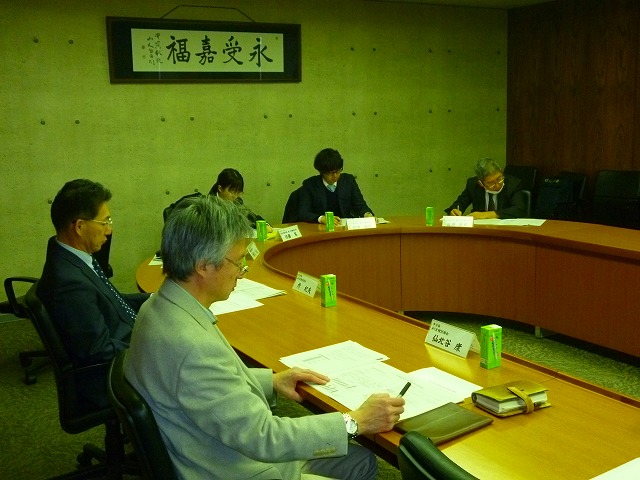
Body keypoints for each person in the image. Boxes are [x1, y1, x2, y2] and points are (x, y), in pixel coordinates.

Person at [124, 195, 404, 480]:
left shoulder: (160, 306)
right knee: (355, 457)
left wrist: (272, 380)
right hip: (232, 469)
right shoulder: (192, 346)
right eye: (238, 261)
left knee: (360, 461)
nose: (242, 273)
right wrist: (354, 422)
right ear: (203, 265)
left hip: (209, 447)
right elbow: (265, 437)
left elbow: (205, 387)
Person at [37, 179, 149, 410]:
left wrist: (155, 298)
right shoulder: (68, 283)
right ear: (79, 226)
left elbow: (114, 301)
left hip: (123, 346)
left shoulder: (75, 257)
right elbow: (98, 352)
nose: (109, 230)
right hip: (109, 378)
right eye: (104, 222)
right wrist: (152, 343)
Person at [297, 148, 374, 226]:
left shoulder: (349, 181)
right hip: (322, 227)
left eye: (338, 171)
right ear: (322, 172)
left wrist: (367, 214)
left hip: (345, 227)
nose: (335, 176)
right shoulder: (310, 185)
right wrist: (321, 218)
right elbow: (303, 213)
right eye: (330, 173)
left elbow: (360, 205)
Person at [445, 158, 526, 219]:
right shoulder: (473, 184)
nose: (497, 185)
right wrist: (454, 211)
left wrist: (488, 214)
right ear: (481, 183)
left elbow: (519, 210)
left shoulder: (513, 184)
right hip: (480, 229)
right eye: (491, 183)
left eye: (499, 179)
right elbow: (460, 203)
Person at [209, 167, 273, 232]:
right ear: (220, 188)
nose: (235, 196)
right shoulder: (209, 207)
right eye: (232, 192)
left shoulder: (237, 201)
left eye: (238, 192)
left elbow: (250, 217)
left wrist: (265, 225)